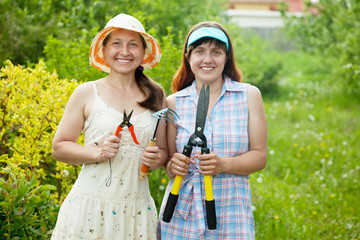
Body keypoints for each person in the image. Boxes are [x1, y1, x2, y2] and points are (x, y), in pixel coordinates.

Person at [51, 13, 167, 239]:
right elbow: (59, 148)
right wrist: (98, 152)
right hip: (89, 210)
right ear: (104, 50)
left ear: (143, 53)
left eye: (133, 44)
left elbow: (162, 153)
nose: (125, 51)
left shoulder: (156, 95)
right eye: (117, 43)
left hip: (136, 211)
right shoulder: (86, 93)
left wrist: (156, 159)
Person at [157, 21, 267, 239]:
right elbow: (169, 164)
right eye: (199, 52)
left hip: (231, 212)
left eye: (216, 52)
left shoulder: (248, 96)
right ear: (188, 58)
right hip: (180, 213)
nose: (208, 59)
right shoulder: (173, 103)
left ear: (226, 58)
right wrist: (173, 165)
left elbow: (260, 157)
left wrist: (224, 164)